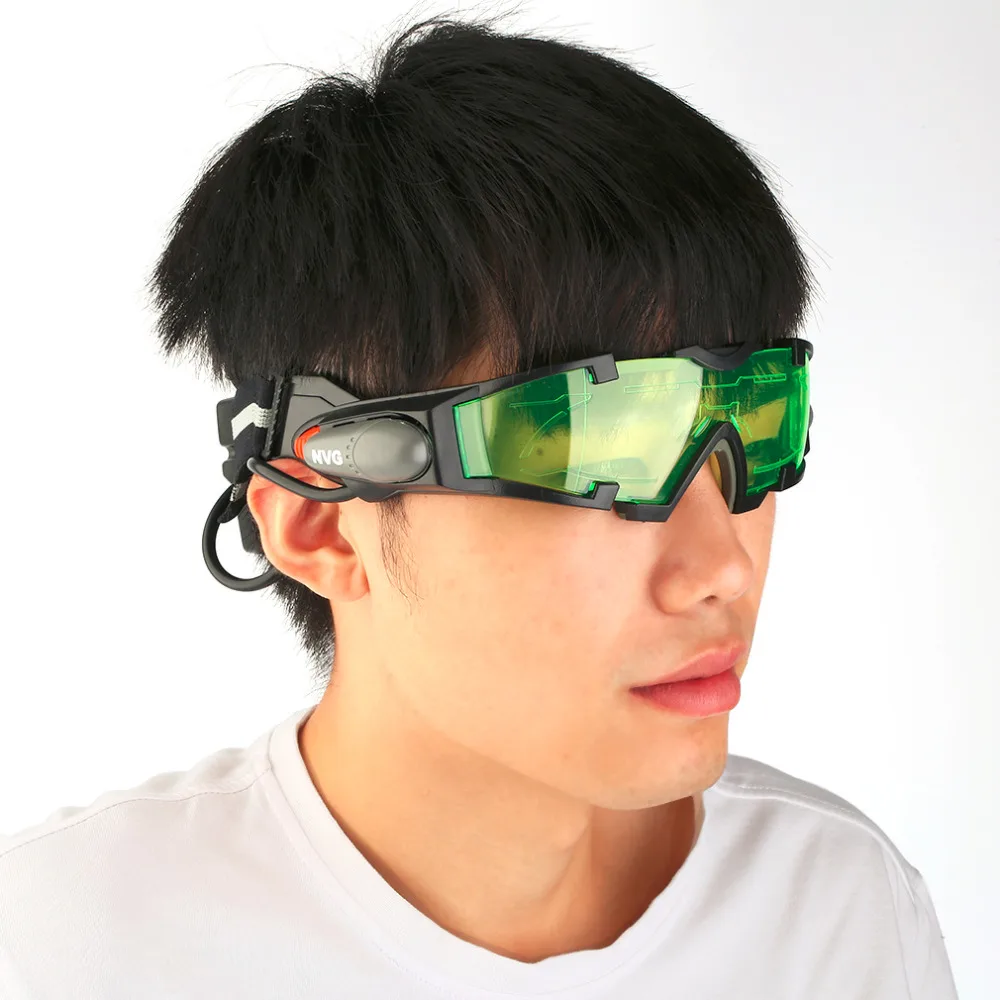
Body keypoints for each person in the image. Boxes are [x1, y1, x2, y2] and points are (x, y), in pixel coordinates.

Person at [0, 13, 958, 999]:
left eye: (755, 418)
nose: (721, 567)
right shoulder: (60, 951)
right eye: (595, 444)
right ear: (323, 523)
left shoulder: (838, 912)